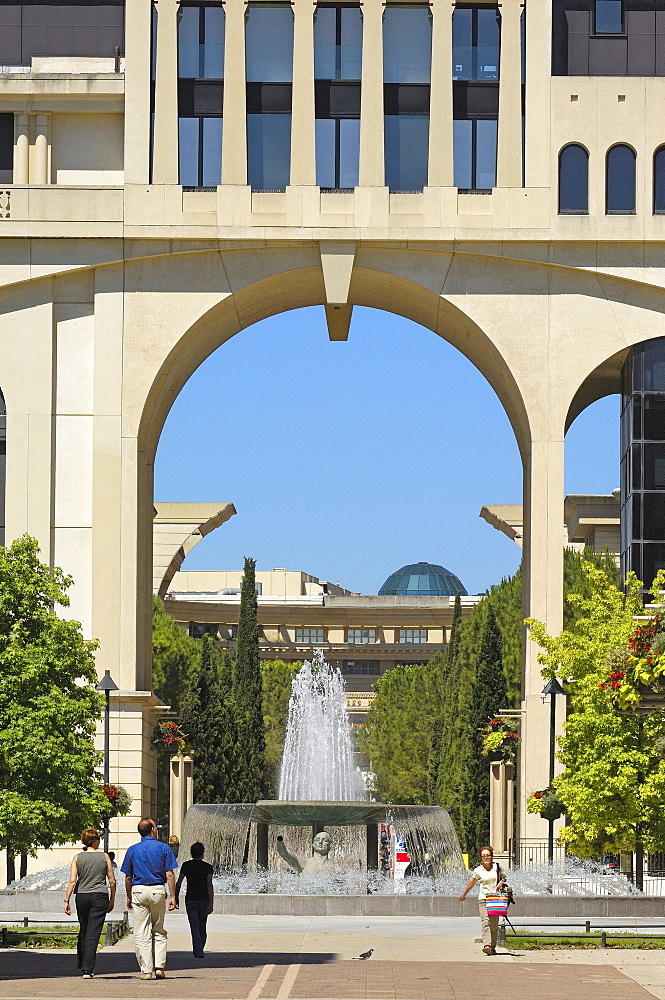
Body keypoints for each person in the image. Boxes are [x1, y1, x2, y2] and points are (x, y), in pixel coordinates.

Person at [121, 817, 178, 980]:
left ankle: (147, 970)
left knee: (141, 932)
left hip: (138, 891)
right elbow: (169, 874)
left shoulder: (132, 850)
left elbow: (127, 877)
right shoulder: (163, 848)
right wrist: (173, 896)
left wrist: (128, 896)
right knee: (159, 929)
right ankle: (159, 966)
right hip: (157, 891)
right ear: (152, 829)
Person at [64, 828, 116, 979]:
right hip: (100, 896)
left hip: (82, 896)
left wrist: (66, 900)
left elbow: (72, 880)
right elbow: (112, 881)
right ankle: (88, 969)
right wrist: (112, 899)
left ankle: (82, 962)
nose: (100, 841)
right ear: (94, 841)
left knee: (84, 929)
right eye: (98, 839)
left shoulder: (77, 857)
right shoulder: (104, 857)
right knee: (93, 932)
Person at [459, 845, 506, 956]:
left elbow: (504, 877)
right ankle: (487, 945)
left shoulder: (497, 867)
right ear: (481, 857)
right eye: (484, 855)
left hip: (495, 898)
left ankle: (493, 947)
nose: (486, 857)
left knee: (494, 925)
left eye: (488, 855)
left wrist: (501, 882)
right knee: (485, 922)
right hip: (484, 899)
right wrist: (464, 894)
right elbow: (471, 884)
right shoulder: (478, 870)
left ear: (491, 856)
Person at [174, 842, 214, 959]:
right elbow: (209, 885)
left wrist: (175, 897)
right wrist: (211, 902)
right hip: (204, 899)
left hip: (190, 899)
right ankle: (199, 949)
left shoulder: (186, 865)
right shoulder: (208, 867)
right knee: (202, 925)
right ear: (202, 853)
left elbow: (179, 882)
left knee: (194, 926)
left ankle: (198, 950)